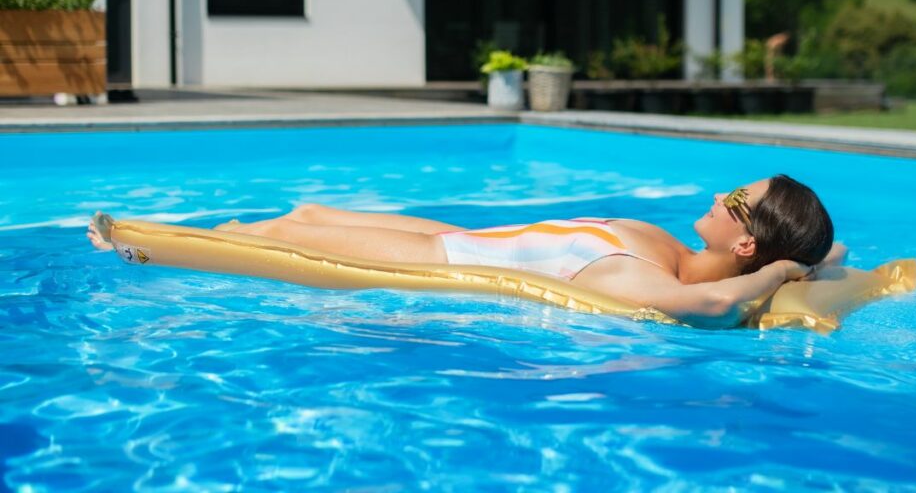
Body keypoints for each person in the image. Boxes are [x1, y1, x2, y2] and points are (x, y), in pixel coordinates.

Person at [87, 174, 845, 328]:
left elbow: (711, 301)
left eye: (734, 202)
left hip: (439, 265)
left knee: (281, 239)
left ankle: (144, 246)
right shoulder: (670, 248)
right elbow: (831, 251)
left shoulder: (641, 275)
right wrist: (820, 260)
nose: (716, 195)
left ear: (746, 241)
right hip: (454, 237)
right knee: (307, 209)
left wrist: (787, 271)